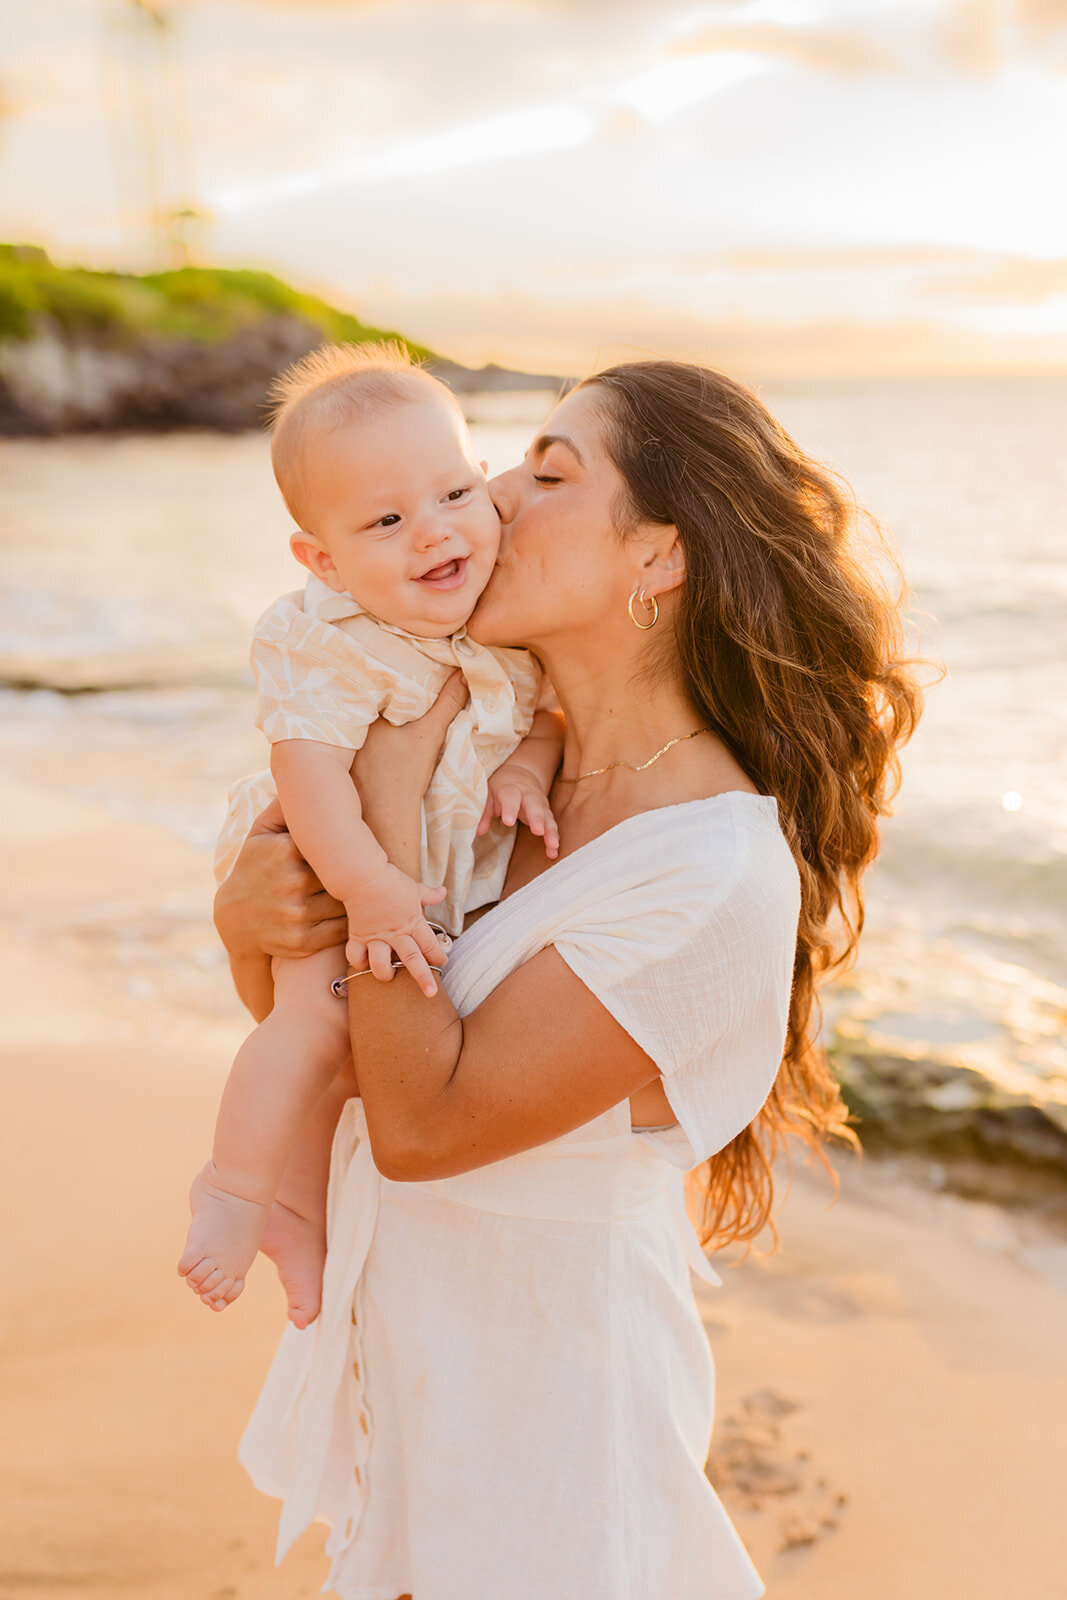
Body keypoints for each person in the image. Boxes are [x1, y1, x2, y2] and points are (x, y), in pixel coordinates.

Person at [214, 359, 921, 1600]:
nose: (486, 495)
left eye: (547, 473)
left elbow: (424, 1124)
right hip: (419, 1400)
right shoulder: (494, 778)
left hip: (548, 1447)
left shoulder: (708, 870)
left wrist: (375, 800)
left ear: (655, 559)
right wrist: (248, 918)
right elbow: (341, 1050)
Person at [178, 341, 563, 1325]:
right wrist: (363, 884)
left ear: (485, 486)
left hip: (403, 874)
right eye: (386, 521)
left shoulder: (499, 616)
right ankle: (230, 1188)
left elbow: (548, 714)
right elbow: (301, 774)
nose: (432, 534)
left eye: (450, 495)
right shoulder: (331, 638)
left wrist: (524, 768)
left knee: (351, 1052)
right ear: (323, 559)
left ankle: (296, 1212)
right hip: (323, 850)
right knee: (308, 1026)